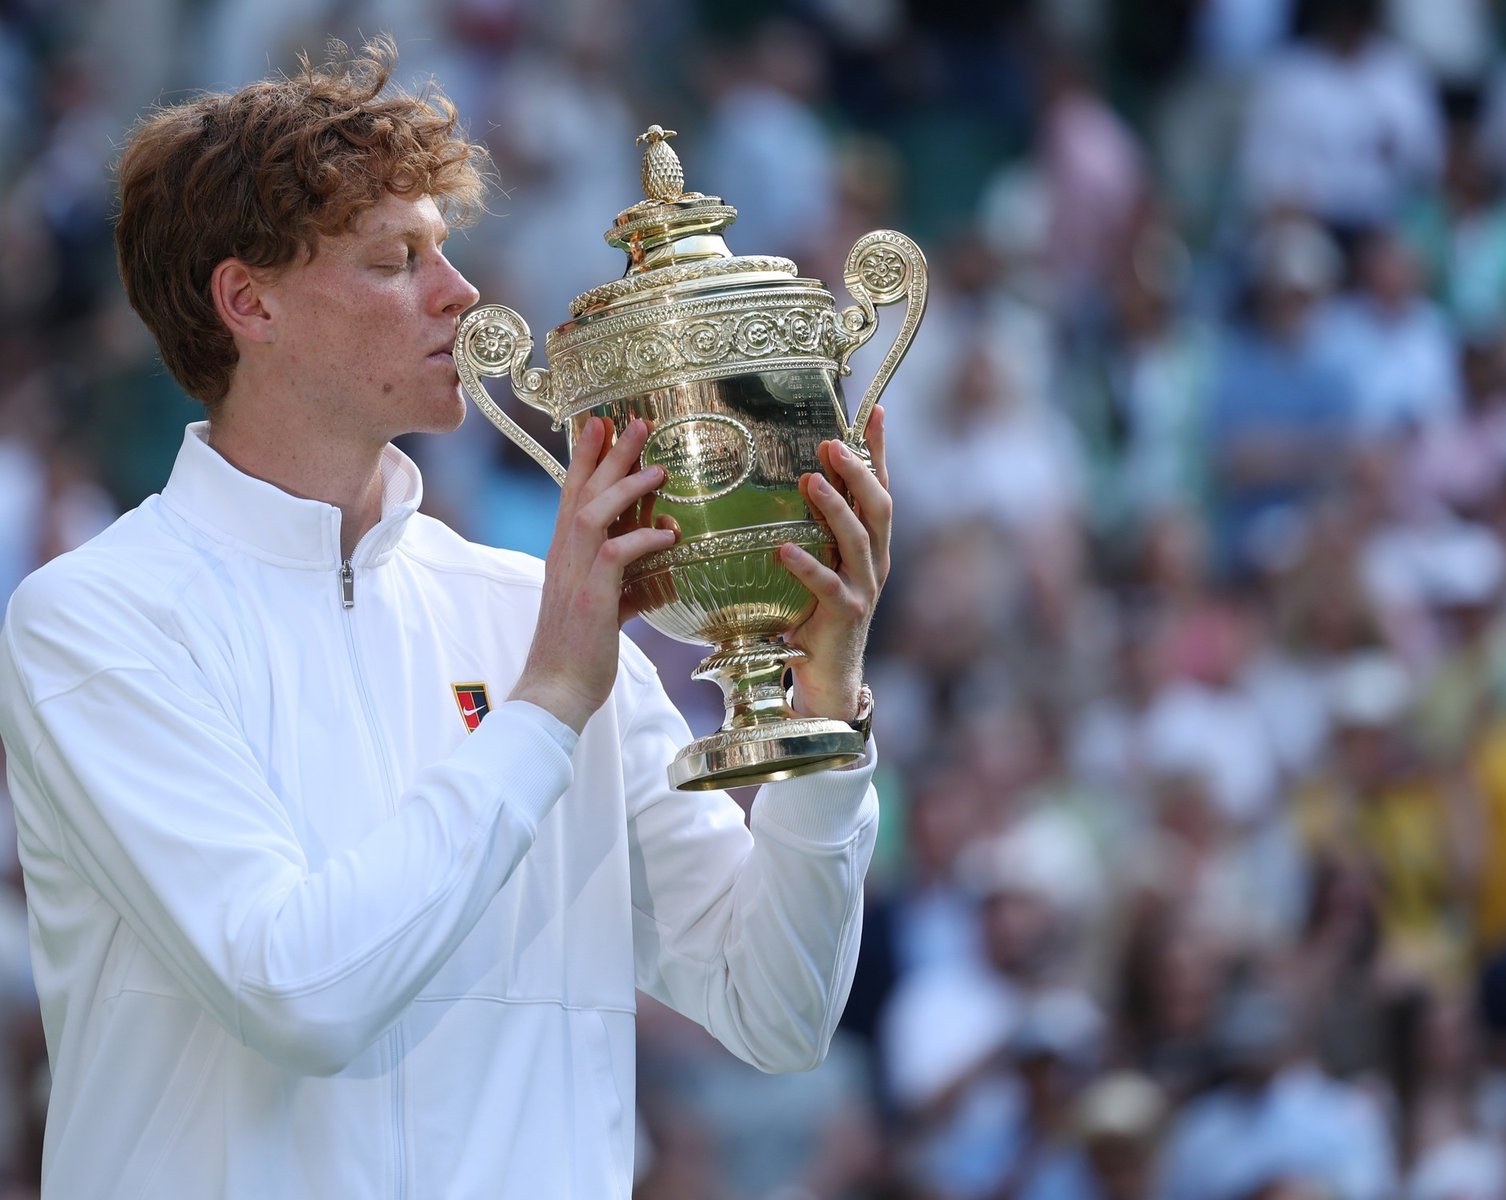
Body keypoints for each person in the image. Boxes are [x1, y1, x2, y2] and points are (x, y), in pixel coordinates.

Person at [0, 37, 888, 1199]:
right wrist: (547, 704)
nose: (460, 294)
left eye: (447, 249)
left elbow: (776, 1010)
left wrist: (823, 729)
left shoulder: (537, 614)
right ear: (248, 301)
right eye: (396, 259)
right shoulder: (93, 618)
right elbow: (300, 992)